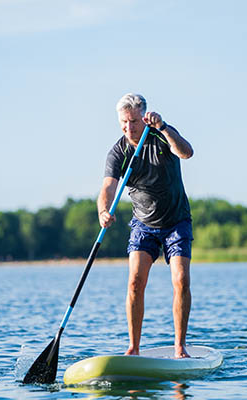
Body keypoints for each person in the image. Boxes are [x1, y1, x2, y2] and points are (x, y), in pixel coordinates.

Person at [97, 93, 194, 359]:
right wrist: (103, 211)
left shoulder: (162, 134)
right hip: (143, 224)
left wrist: (162, 127)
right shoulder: (118, 152)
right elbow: (108, 187)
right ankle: (134, 348)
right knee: (135, 284)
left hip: (176, 221)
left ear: (143, 117)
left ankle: (179, 347)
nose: (129, 127)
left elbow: (186, 153)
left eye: (133, 121)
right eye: (123, 122)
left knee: (181, 280)